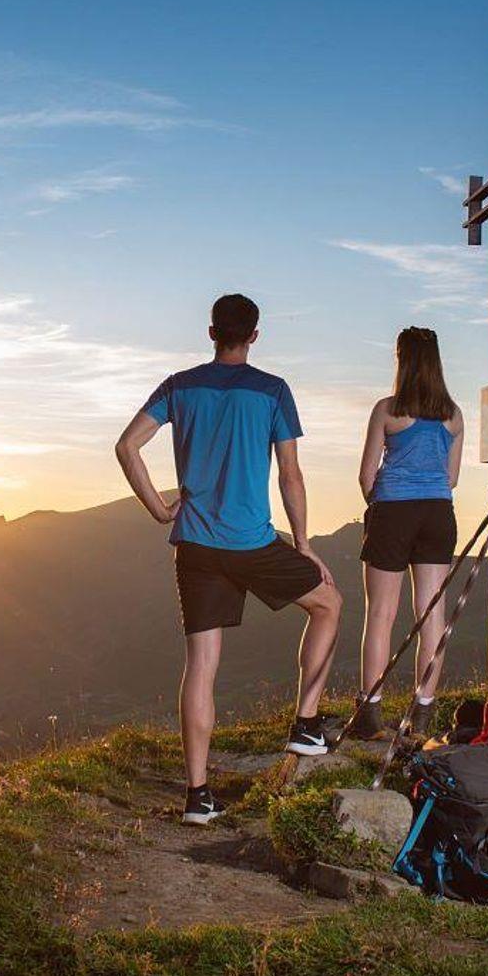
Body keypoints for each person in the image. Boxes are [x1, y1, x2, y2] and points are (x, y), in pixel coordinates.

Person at [115, 294, 344, 825]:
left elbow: (127, 447)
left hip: (196, 544)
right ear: (254, 336)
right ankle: (306, 724)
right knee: (329, 604)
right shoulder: (272, 390)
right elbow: (290, 475)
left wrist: (159, 509)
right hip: (252, 543)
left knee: (201, 666)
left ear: (211, 332)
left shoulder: (179, 386)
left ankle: (198, 797)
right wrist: (303, 543)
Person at [349, 327, 463, 743]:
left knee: (381, 614)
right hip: (438, 513)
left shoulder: (387, 410)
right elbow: (451, 478)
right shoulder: (453, 415)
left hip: (393, 511)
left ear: (401, 360)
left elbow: (366, 476)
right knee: (432, 615)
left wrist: (381, 504)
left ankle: (370, 716)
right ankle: (423, 716)